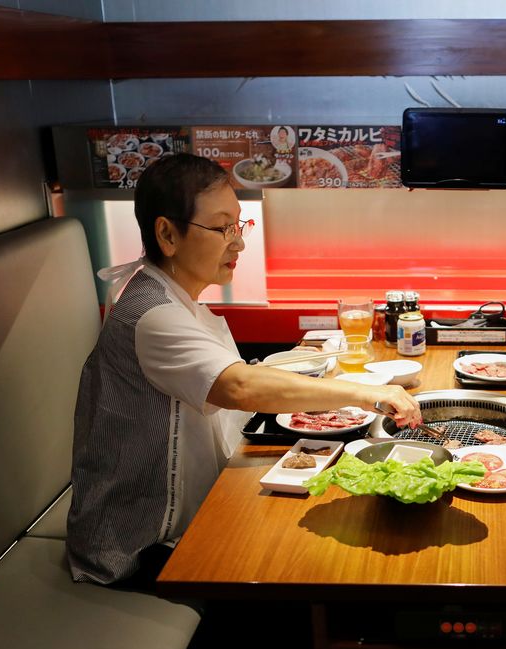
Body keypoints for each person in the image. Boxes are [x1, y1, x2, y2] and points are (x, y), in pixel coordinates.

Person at [68, 153, 421, 586]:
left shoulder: (173, 298)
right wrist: (364, 393)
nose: (238, 243)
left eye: (239, 226)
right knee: (310, 560)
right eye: (221, 228)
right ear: (167, 234)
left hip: (188, 514)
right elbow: (237, 386)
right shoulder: (152, 315)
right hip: (139, 547)